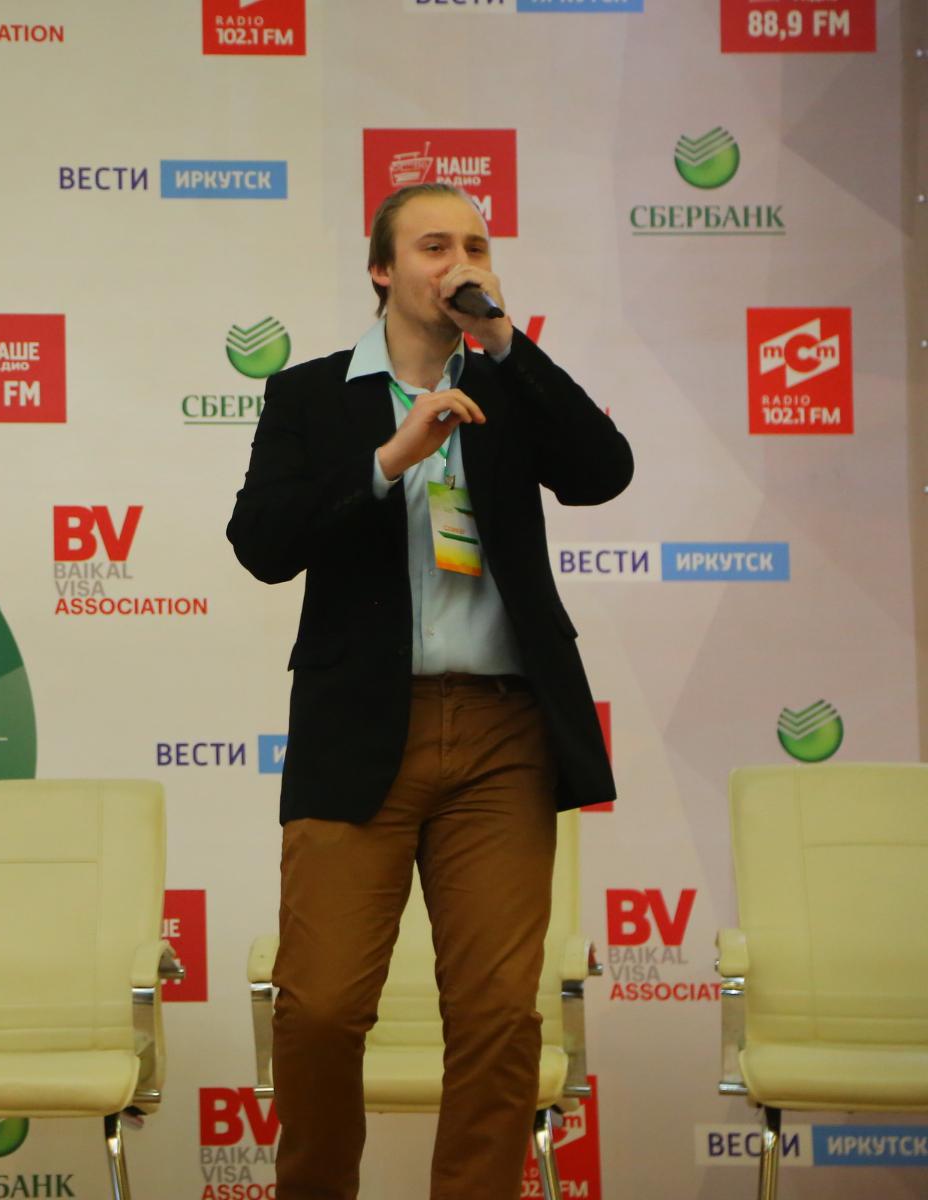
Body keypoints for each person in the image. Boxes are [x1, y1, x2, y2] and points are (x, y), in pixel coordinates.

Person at [226, 183, 631, 1199]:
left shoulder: (507, 383)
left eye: (477, 247)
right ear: (382, 269)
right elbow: (262, 544)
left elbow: (603, 471)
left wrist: (507, 345)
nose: (461, 263)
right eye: (435, 245)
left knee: (496, 1014)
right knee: (321, 1007)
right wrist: (386, 462)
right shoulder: (312, 395)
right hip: (361, 725)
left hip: (503, 734)